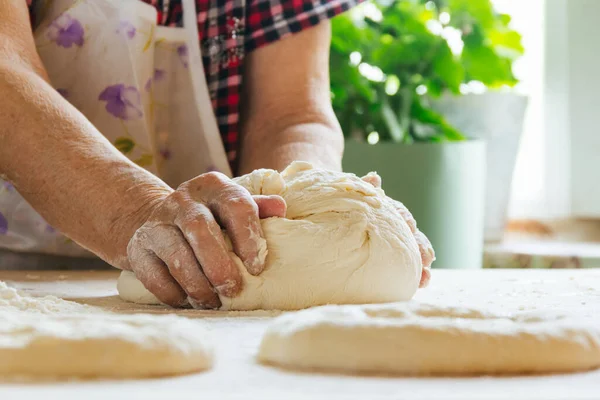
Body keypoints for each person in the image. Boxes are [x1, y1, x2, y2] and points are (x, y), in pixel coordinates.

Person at [0, 0, 433, 308]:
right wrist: (140, 212)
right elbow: (6, 76)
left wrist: (312, 204)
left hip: (212, 279)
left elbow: (291, 112)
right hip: (14, 283)